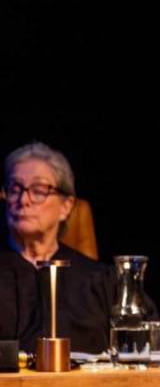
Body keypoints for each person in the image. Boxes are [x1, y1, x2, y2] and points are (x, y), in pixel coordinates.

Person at [0, 141, 116, 353]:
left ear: (66, 206)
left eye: (39, 190)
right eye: (15, 189)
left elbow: (147, 350)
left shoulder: (102, 282)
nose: (23, 200)